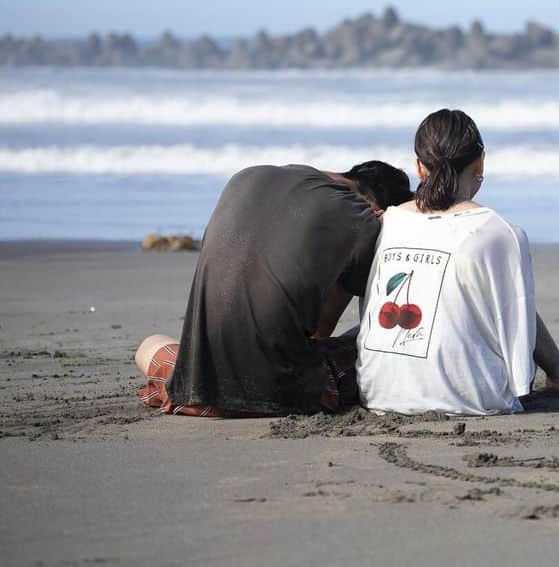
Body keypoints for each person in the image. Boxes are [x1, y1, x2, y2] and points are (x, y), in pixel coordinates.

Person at [135, 160, 413, 416]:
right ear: (376, 204)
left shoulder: (247, 176)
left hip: (196, 389)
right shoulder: (360, 217)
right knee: (374, 342)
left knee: (149, 346)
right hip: (287, 393)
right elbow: (321, 332)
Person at [355, 109, 559, 416]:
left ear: (419, 167)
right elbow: (519, 363)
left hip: (377, 391)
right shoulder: (501, 232)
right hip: (471, 399)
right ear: (480, 161)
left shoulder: (387, 222)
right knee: (507, 296)